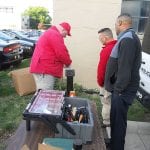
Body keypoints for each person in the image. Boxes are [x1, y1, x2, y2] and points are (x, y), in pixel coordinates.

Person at [104, 14, 142, 150]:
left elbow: (125, 68)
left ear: (120, 22)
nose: (115, 28)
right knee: (116, 120)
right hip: (120, 89)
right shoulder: (126, 38)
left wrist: (118, 90)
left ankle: (117, 147)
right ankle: (114, 143)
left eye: (115, 24)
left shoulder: (128, 39)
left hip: (122, 90)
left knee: (119, 123)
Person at [30, 22, 72, 90]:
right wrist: (68, 63)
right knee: (45, 94)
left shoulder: (50, 32)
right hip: (44, 69)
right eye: (66, 34)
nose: (65, 36)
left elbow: (54, 52)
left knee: (42, 93)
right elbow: (61, 52)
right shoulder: (55, 34)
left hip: (41, 68)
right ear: (63, 30)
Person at [97, 28, 117, 127]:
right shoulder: (117, 46)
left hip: (107, 82)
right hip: (115, 81)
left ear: (105, 37)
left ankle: (106, 124)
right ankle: (112, 121)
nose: (100, 40)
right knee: (111, 102)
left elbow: (102, 69)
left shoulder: (107, 50)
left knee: (106, 103)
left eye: (100, 37)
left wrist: (100, 82)